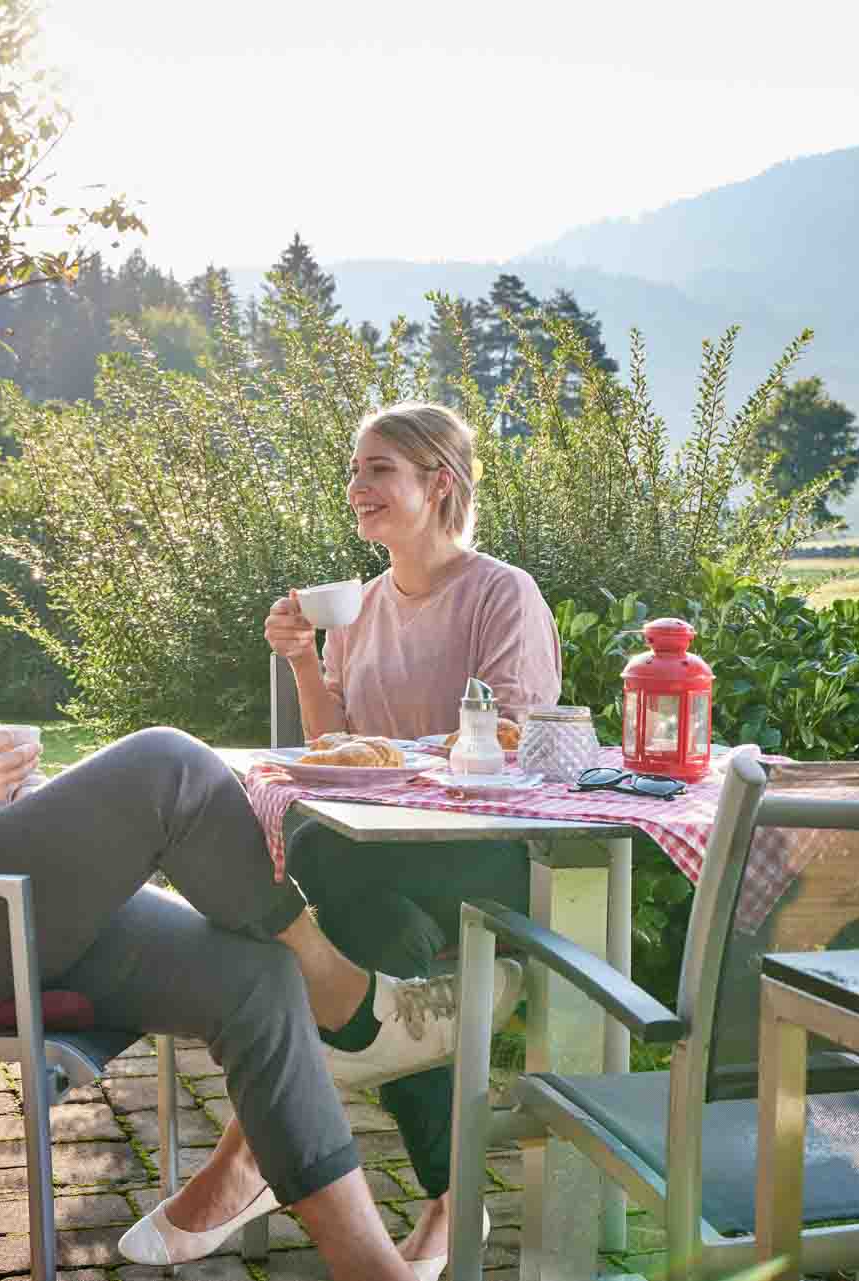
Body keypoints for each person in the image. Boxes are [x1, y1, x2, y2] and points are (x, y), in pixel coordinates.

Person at [0, 340, 520, 1281]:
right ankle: (352, 1000)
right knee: (166, 764)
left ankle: (373, 1269)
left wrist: (7, 789)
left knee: (255, 977)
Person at [252, 401, 563, 1277]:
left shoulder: (503, 593)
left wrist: (402, 767)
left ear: (440, 484)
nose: (357, 488)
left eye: (378, 469)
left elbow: (514, 739)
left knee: (320, 850)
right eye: (355, 470)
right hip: (378, 857)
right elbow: (332, 745)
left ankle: (270, 1129)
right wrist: (308, 659)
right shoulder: (358, 606)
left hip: (483, 851)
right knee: (380, 923)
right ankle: (450, 1200)